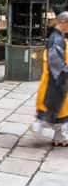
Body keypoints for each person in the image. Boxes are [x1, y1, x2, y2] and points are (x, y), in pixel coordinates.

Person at [31, 11, 68, 146]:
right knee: (54, 108)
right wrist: (64, 73)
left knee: (58, 110)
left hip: (55, 77)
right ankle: (40, 128)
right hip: (55, 78)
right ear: (63, 23)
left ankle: (60, 138)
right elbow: (56, 61)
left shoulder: (57, 37)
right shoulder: (56, 39)